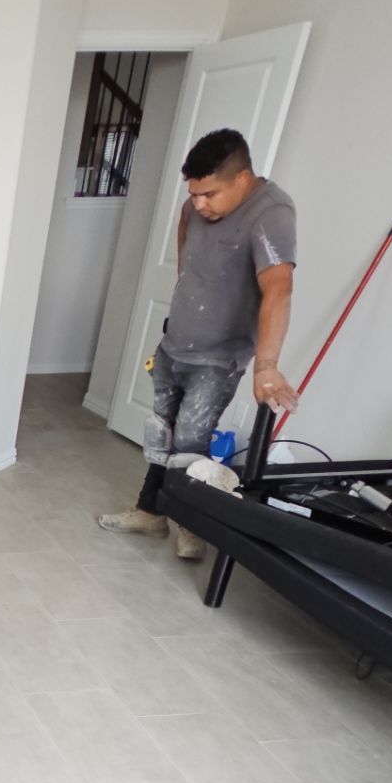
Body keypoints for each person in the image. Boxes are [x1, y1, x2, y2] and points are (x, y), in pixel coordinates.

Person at [98, 128, 299, 559]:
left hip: (217, 358)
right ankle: (150, 514)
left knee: (190, 445)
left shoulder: (271, 213)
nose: (198, 203)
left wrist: (267, 364)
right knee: (161, 435)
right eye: (194, 193)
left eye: (209, 193)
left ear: (242, 178)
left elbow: (279, 288)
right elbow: (188, 259)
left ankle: (189, 524)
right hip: (176, 342)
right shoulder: (195, 207)